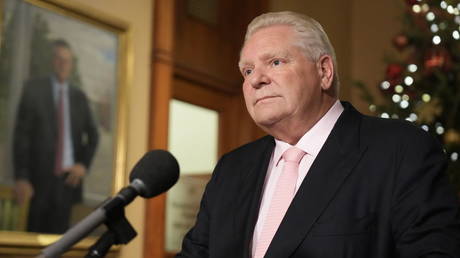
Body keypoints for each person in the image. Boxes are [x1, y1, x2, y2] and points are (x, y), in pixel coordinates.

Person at [177, 11, 460, 258]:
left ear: (324, 71)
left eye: (275, 62)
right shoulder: (232, 169)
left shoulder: (400, 150)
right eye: (247, 70)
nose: (255, 79)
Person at [13, 39, 99, 234]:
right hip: (37, 182)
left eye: (67, 61)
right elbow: (22, 136)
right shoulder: (34, 88)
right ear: (53, 61)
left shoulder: (79, 97)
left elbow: (93, 135)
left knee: (59, 242)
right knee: (32, 239)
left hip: (67, 184)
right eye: (59, 59)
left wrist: (83, 165)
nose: (63, 64)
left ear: (72, 65)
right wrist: (21, 177)